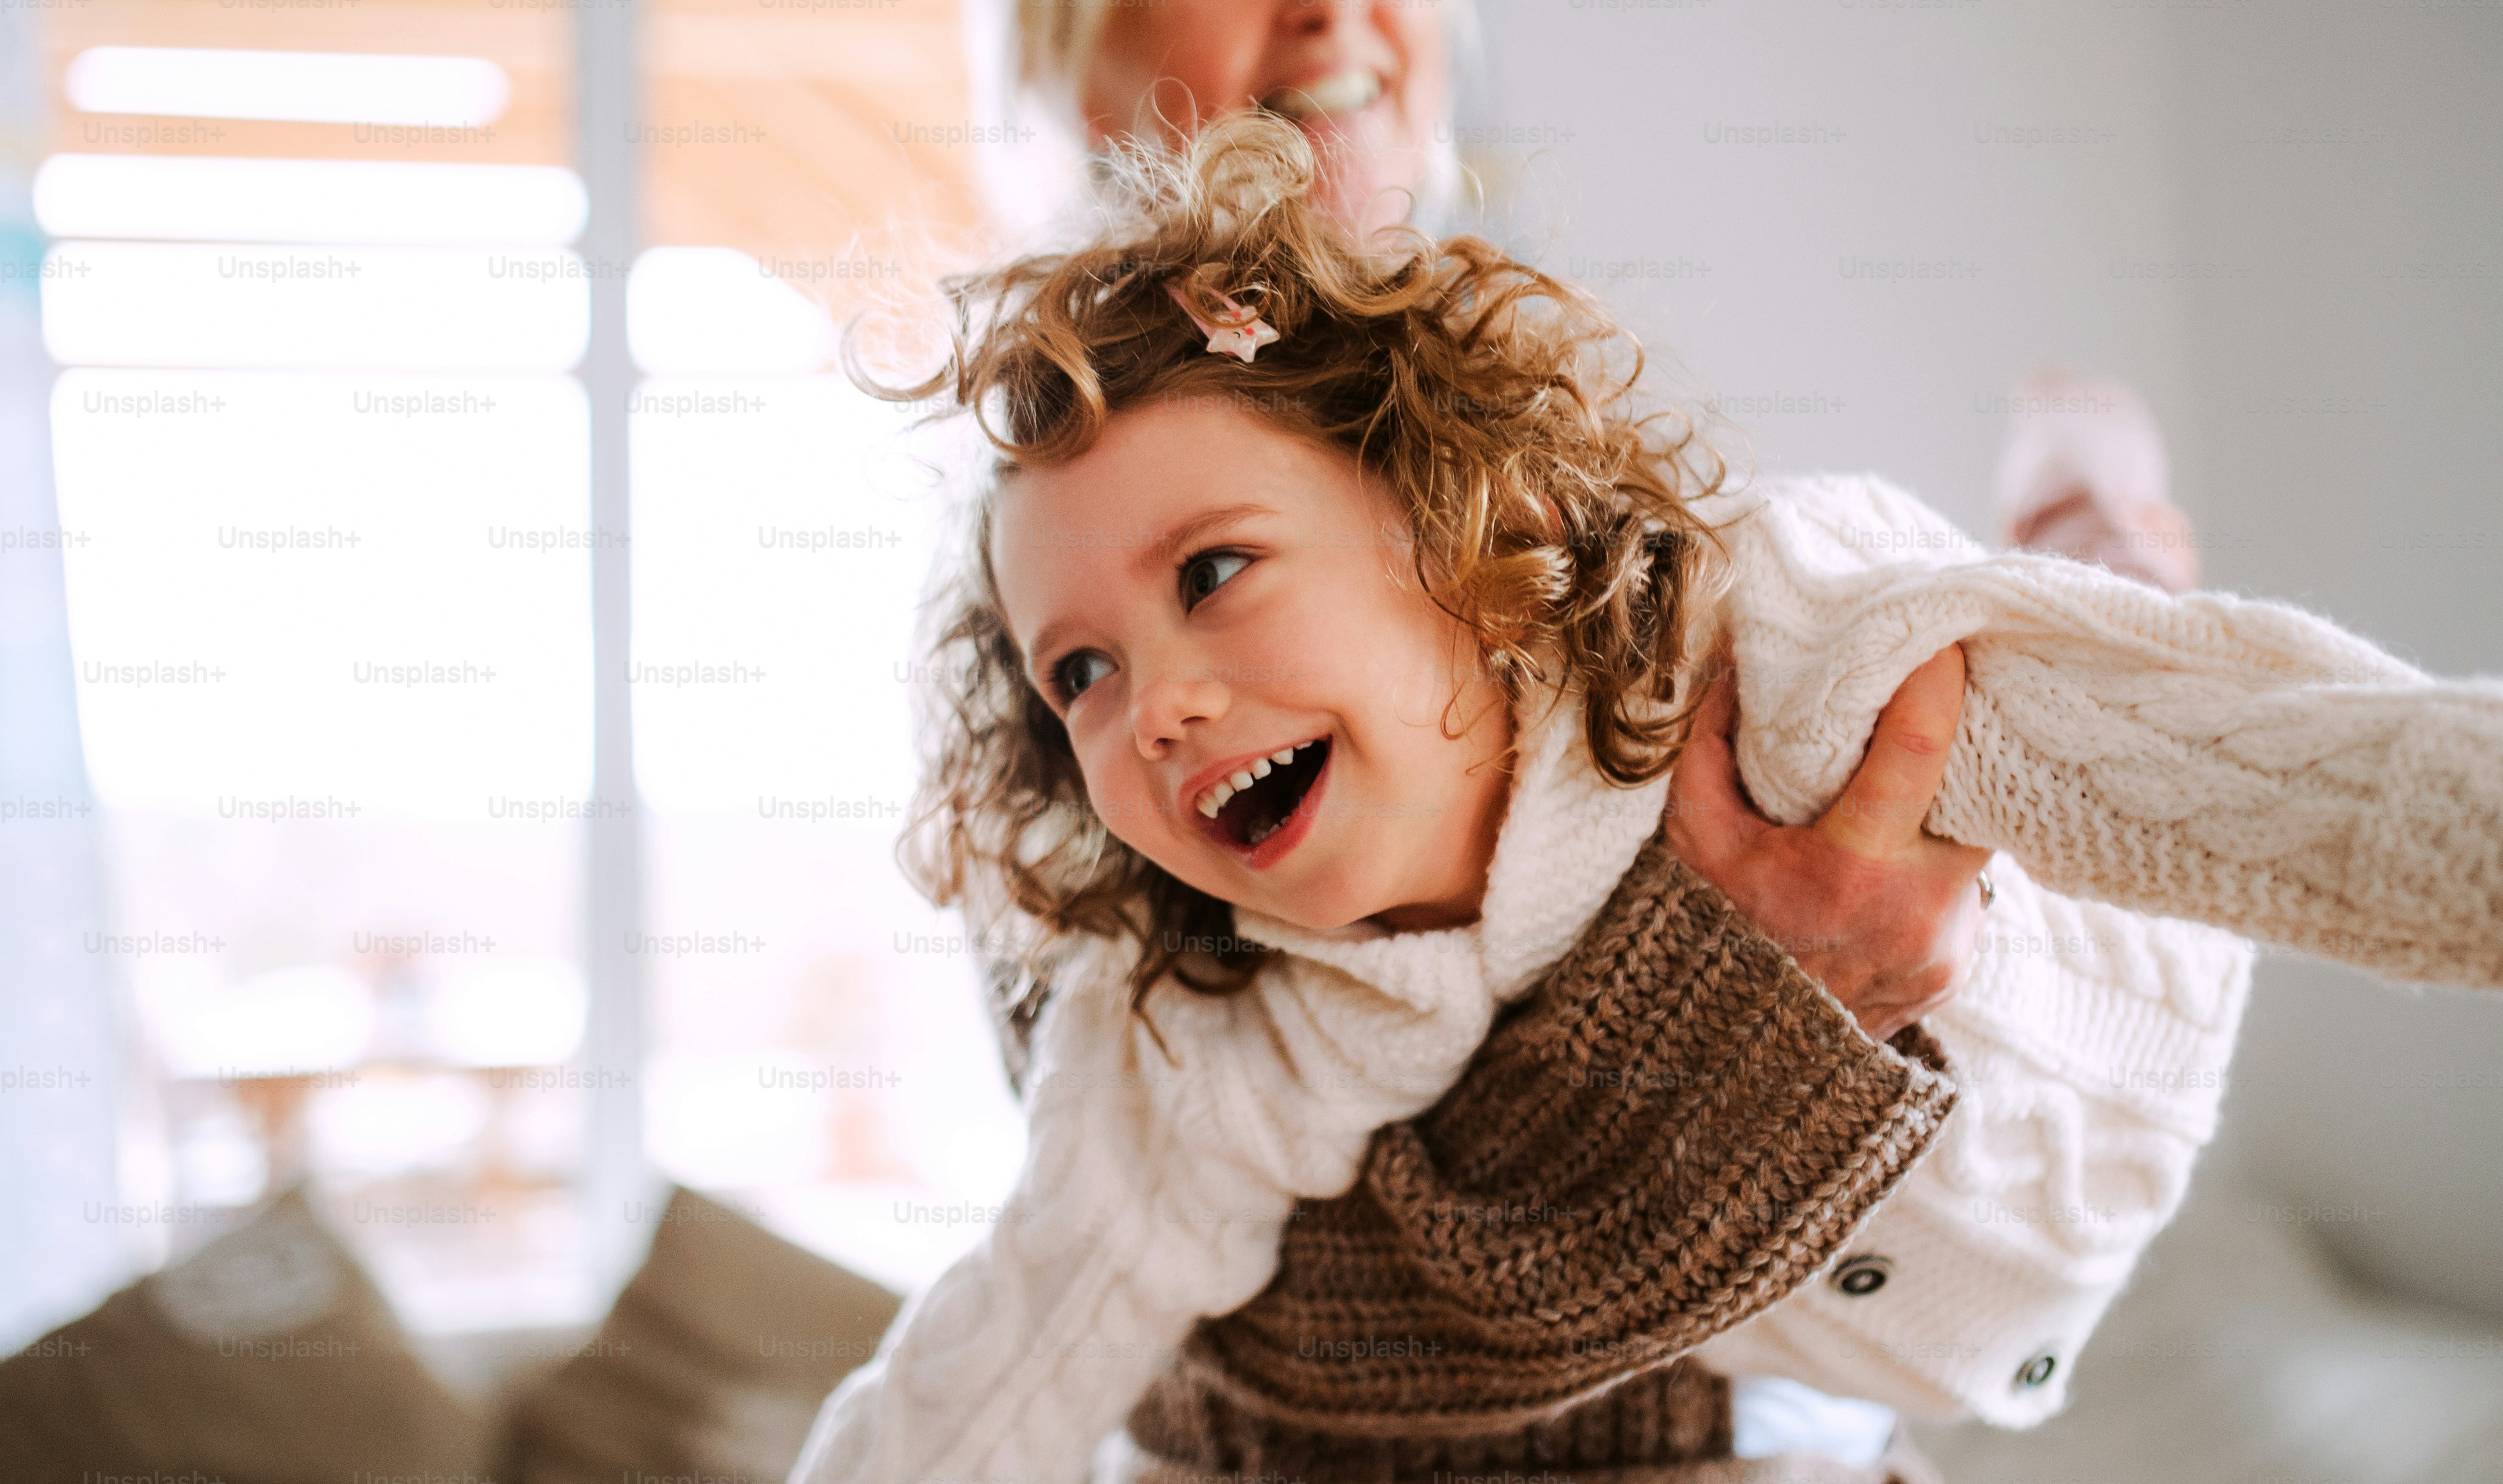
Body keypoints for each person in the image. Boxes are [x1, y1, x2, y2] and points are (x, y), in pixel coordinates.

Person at [788, 116, 2500, 1484]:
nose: (1155, 704)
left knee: (2096, 644)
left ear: (1451, 522)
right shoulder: (1203, 1030)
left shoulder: (1743, 653)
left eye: (1215, 572)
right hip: (1869, 1352)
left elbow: (2273, 772)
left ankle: (2085, 518)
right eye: (1077, 675)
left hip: (2092, 1012)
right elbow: (1016, 1339)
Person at [934, 0, 2240, 1471]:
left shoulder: (1581, 473)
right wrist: (1762, 1022)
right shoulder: (1044, 608)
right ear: (1072, 70)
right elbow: (1262, 1318)